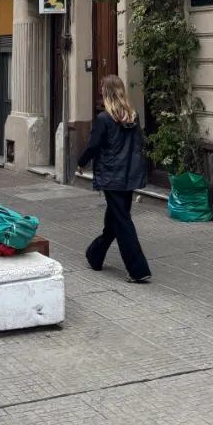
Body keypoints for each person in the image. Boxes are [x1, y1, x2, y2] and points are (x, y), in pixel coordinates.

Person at [76, 74, 151, 285]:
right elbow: (138, 146)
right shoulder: (133, 117)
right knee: (116, 218)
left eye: (101, 88)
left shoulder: (104, 119)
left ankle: (138, 269)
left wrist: (81, 162)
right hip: (128, 175)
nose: (100, 91)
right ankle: (95, 254)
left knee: (122, 221)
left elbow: (93, 145)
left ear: (107, 92)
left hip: (112, 175)